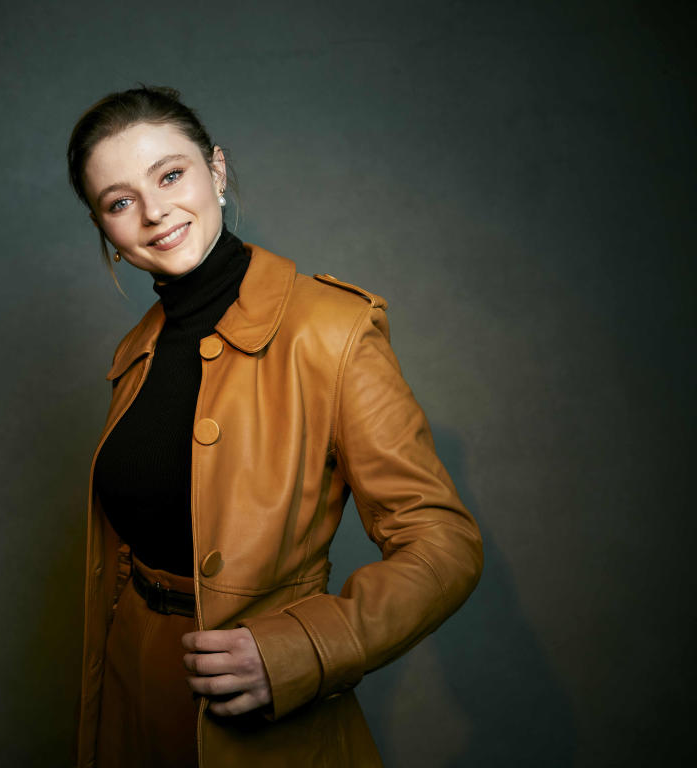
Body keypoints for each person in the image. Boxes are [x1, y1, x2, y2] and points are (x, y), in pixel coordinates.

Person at [67, 85, 483, 768]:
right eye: (119, 201)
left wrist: (302, 650)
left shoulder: (331, 330)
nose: (153, 212)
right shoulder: (137, 351)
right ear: (104, 230)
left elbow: (444, 542)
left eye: (170, 175)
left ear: (217, 170)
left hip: (262, 721)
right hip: (131, 701)